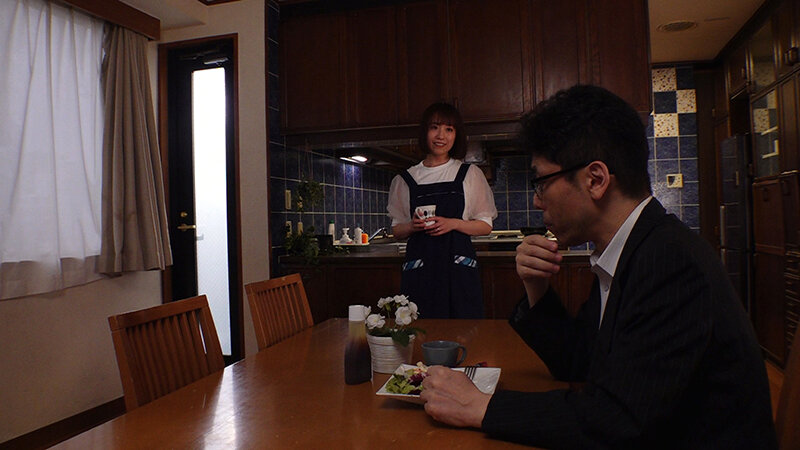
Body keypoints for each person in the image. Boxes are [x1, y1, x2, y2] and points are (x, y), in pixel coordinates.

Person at [420, 85, 778, 448]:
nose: (537, 200)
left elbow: (618, 421)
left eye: (541, 182)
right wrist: (536, 287)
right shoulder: (629, 248)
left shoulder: (670, 262)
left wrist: (480, 406)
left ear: (595, 180)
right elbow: (578, 361)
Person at [387, 102, 497, 319]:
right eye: (434, 127)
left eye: (449, 129)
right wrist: (412, 226)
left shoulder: (469, 173)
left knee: (464, 327)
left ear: (456, 135)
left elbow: (485, 225)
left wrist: (453, 223)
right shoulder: (405, 179)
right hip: (421, 270)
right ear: (425, 132)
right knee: (422, 328)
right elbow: (397, 230)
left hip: (458, 269)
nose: (441, 136)